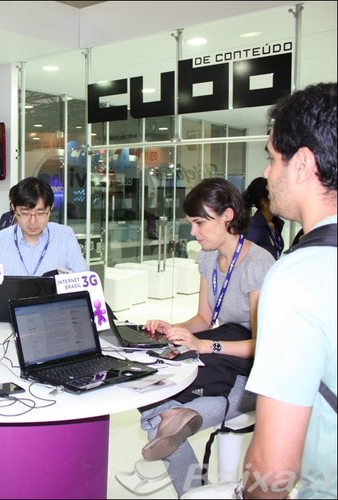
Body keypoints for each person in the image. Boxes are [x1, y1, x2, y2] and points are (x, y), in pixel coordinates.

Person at [139, 178, 275, 496]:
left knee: (159, 422)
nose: (194, 232)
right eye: (192, 224)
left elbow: (264, 345)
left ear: (227, 215)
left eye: (200, 223)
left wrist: (204, 345)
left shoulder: (258, 264)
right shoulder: (209, 259)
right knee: (153, 398)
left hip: (254, 371)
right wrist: (172, 329)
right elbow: (203, 318)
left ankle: (192, 485)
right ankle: (195, 486)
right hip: (220, 360)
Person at [242, 83, 336, 499]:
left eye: (271, 158)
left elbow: (273, 469)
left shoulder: (298, 277)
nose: (266, 174)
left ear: (301, 164)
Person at [0, 176, 88, 276]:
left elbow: (83, 279)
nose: (33, 221)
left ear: (51, 208)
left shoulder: (65, 236)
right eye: (25, 213)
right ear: (13, 208)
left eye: (40, 213)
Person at [243, 176, 285, 260]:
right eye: (275, 197)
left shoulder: (276, 224)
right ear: (264, 202)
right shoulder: (253, 228)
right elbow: (244, 260)